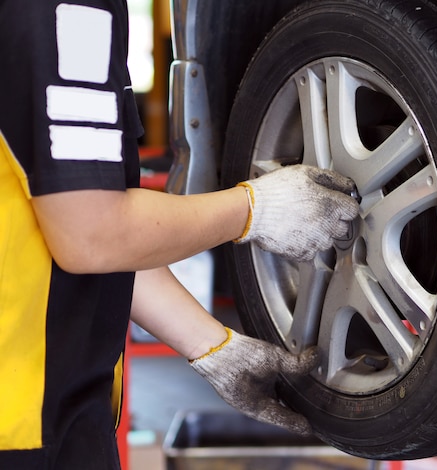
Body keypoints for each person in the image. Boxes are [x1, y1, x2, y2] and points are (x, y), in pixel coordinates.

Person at [0, 0, 360, 468]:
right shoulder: (63, 9)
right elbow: (92, 233)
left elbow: (70, 220)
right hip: (22, 426)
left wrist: (212, 346)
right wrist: (253, 209)